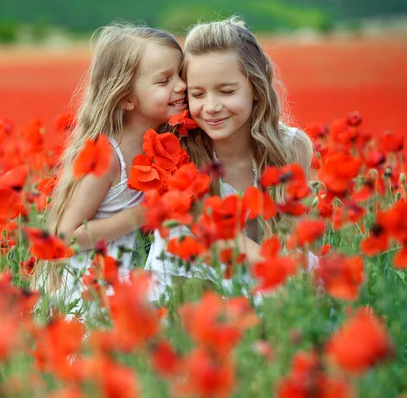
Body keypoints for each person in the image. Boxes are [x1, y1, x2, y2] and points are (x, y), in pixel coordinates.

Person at [146, 17, 314, 301]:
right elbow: (208, 237)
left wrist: (289, 282)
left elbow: (294, 238)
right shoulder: (179, 152)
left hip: (272, 281)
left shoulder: (292, 147)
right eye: (197, 94)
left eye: (226, 91)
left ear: (256, 87)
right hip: (195, 288)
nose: (211, 107)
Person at [35, 23, 188, 314]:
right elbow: (65, 237)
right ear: (126, 98)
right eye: (164, 80)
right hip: (91, 286)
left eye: (180, 74)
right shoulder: (107, 156)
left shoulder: (166, 142)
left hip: (131, 273)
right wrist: (138, 216)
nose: (181, 86)